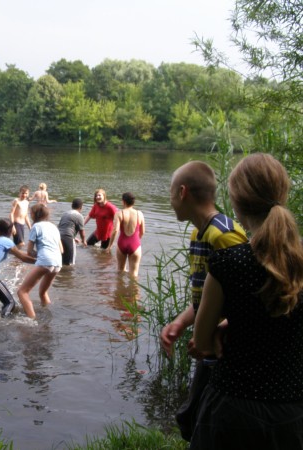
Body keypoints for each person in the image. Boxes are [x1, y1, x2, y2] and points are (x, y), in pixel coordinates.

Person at [189, 153, 303, 449]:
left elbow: (201, 342)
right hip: (291, 409)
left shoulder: (228, 263)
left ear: (237, 204)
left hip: (231, 406)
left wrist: (224, 327)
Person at [159, 161, 247, 441]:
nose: (170, 201)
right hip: (208, 346)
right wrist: (181, 322)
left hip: (226, 350)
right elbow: (207, 297)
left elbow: (247, 299)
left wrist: (216, 329)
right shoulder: (199, 233)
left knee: (202, 422)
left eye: (171, 193)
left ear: (182, 192)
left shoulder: (224, 235)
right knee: (192, 419)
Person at [17, 204, 63, 319]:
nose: (29, 215)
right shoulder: (54, 227)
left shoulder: (36, 226)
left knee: (22, 292)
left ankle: (32, 319)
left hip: (45, 261)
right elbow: (61, 250)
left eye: (30, 213)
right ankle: (48, 314)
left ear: (34, 215)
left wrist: (38, 256)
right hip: (58, 262)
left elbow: (29, 251)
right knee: (43, 292)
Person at [114, 192, 146, 278]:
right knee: (134, 275)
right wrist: (136, 241)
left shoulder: (119, 213)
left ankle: (120, 290)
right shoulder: (140, 214)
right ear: (133, 202)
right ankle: (133, 291)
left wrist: (110, 245)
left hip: (122, 243)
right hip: (135, 244)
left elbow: (115, 230)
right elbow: (143, 232)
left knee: (120, 272)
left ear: (123, 202)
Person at [57, 198, 87, 266]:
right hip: (68, 238)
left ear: (72, 206)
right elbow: (82, 232)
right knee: (71, 263)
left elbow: (62, 227)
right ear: (81, 207)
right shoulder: (79, 216)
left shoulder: (65, 213)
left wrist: (73, 237)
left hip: (59, 237)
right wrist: (84, 241)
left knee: (62, 259)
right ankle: (69, 276)